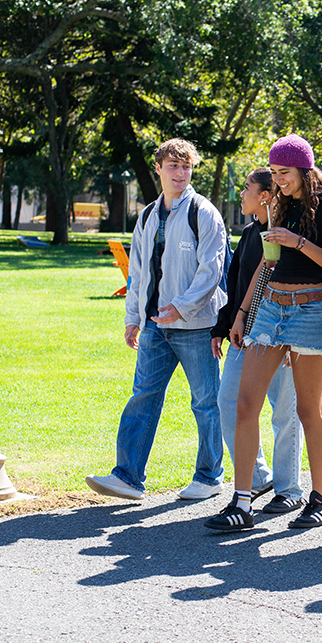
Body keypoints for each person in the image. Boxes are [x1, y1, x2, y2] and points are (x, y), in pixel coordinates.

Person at [205, 134, 322, 532]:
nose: (278, 181)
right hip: (270, 309)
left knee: (307, 410)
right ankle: (242, 502)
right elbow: (266, 265)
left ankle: (321, 500)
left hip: (310, 308)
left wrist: (299, 242)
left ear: (305, 170)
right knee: (244, 404)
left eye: (284, 173)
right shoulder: (277, 204)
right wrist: (240, 315)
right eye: (272, 173)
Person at [87, 138, 229, 501]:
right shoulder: (149, 215)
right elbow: (138, 272)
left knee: (206, 403)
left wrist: (182, 307)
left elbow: (211, 270)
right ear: (159, 169)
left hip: (196, 327)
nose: (180, 173)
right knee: (143, 398)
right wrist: (133, 318)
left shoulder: (204, 212)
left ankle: (209, 476)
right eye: (173, 166)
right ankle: (128, 477)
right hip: (154, 327)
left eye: (186, 167)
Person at [211, 167, 305, 515]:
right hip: (244, 334)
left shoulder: (287, 232)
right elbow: (236, 283)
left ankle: (289, 489)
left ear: (265, 195)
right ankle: (258, 474)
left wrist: (289, 339)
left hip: (283, 335)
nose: (241, 195)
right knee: (228, 402)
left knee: (285, 413)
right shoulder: (251, 232)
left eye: (247, 189)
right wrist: (222, 327)